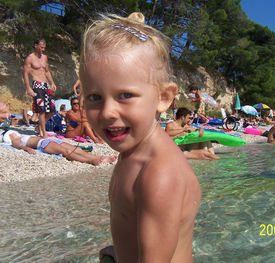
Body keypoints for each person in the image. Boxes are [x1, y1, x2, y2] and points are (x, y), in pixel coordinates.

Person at [79, 12, 201, 262]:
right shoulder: (133, 153)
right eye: (94, 97)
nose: (107, 112)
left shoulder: (159, 177)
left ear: (163, 98)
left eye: (124, 95)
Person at [0, 130, 117, 166]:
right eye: (11, 133)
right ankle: (91, 160)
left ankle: (101, 157)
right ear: (9, 135)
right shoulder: (15, 140)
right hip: (42, 144)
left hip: (49, 140)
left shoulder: (22, 135)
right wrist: (28, 149)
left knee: (77, 149)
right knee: (65, 151)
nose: (13, 133)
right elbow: (20, 146)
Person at [23, 39, 57, 138]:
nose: (43, 49)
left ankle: (39, 126)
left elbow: (46, 71)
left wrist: (52, 82)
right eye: (41, 47)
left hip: (46, 85)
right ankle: (44, 132)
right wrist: (28, 88)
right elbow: (25, 73)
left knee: (52, 109)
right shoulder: (30, 58)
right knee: (41, 110)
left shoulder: (45, 57)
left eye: (44, 47)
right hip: (37, 85)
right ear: (36, 45)